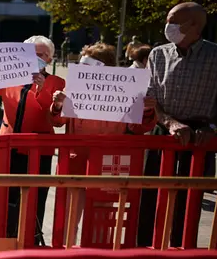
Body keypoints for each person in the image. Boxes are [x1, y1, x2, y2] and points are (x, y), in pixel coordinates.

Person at [138, 3, 217, 259]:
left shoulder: (215, 56)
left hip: (199, 139)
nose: (168, 26)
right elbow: (150, 97)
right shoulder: (158, 54)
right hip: (163, 133)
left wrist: (212, 127)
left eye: (174, 22)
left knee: (188, 206)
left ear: (194, 26)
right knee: (149, 199)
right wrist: (170, 122)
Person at [50, 42, 157, 236]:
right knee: (68, 221)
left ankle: (97, 255)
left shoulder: (126, 90)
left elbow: (137, 128)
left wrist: (147, 110)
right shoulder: (72, 88)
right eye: (81, 65)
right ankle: (65, 253)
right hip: (76, 162)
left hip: (107, 164)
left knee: (100, 223)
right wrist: (58, 105)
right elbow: (58, 121)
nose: (81, 70)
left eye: (86, 66)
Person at [0, 35, 66, 242]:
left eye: (41, 55)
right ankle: (3, 240)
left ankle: (32, 240)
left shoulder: (57, 83)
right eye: (31, 54)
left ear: (50, 59)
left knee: (35, 198)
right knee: (5, 195)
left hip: (38, 150)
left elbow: (58, 120)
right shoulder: (11, 76)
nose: (36, 58)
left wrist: (43, 90)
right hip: (8, 147)